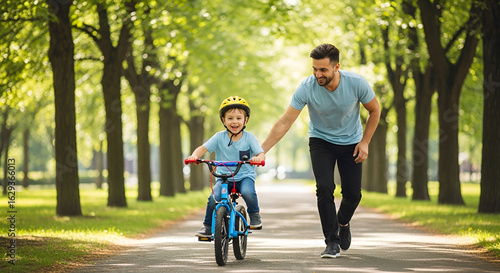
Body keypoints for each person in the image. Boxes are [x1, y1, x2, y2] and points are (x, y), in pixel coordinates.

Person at [261, 44, 381, 258]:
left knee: (353, 194)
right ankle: (331, 242)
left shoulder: (356, 84)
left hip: (351, 142)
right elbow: (285, 122)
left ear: (337, 67)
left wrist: (365, 142)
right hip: (321, 141)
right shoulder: (307, 87)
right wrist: (261, 150)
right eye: (315, 69)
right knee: (324, 187)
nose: (318, 74)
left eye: (323, 70)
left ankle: (343, 222)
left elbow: (374, 109)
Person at [188, 96, 266, 238]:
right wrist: (194, 156)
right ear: (223, 120)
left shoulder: (249, 138)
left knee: (248, 192)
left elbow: (261, 153)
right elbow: (202, 148)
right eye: (230, 118)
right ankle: (207, 226)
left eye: (238, 118)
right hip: (224, 177)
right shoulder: (219, 137)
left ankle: (254, 215)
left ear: (245, 120)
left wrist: (258, 158)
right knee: (214, 198)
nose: (234, 121)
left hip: (244, 177)